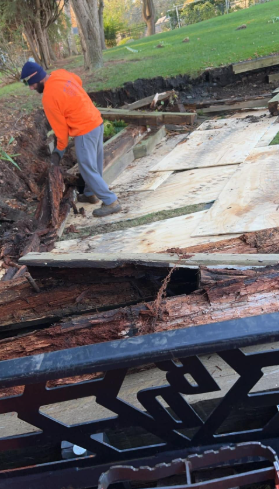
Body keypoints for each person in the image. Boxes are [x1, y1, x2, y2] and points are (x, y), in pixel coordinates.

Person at [20, 61, 122, 217]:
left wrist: (58, 152)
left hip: (84, 130)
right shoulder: (60, 74)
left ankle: (111, 201)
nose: (31, 88)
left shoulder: (49, 98)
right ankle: (90, 194)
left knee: (87, 168)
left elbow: (61, 132)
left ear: (38, 77)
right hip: (96, 121)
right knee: (94, 162)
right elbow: (78, 81)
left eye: (32, 84)